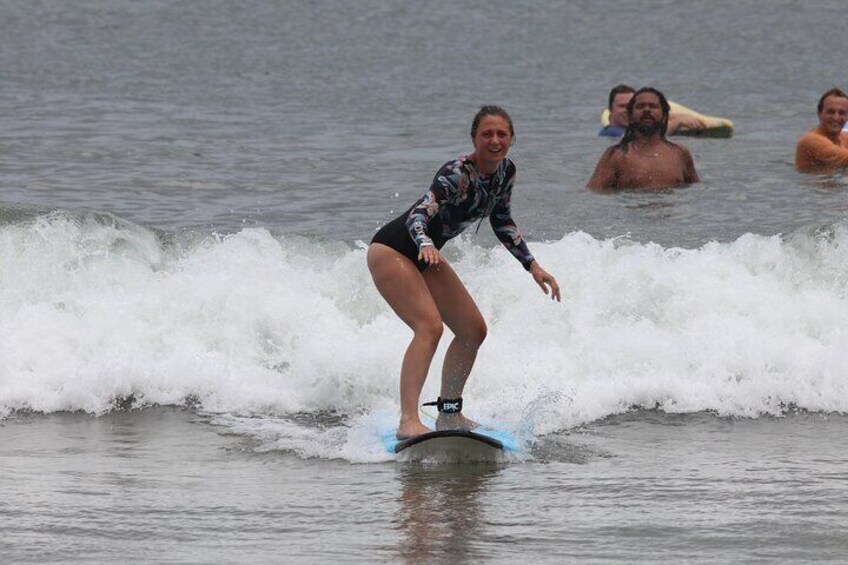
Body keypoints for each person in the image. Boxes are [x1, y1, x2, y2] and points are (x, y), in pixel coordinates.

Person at [367, 105, 561, 439]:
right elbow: (418, 215)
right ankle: (407, 421)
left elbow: (502, 221)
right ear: (475, 138)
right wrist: (426, 243)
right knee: (429, 327)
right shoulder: (456, 173)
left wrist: (533, 265)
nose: (495, 140)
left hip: (426, 256)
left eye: (502, 134)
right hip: (393, 250)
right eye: (487, 133)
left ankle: (449, 414)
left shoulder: (505, 173)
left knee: (473, 330)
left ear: (512, 138)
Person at [588, 87, 700, 191]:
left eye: (653, 106)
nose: (647, 110)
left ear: (664, 116)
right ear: (630, 117)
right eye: (640, 106)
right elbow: (594, 193)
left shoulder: (680, 153)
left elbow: (695, 191)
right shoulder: (616, 155)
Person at [599, 83, 707, 137]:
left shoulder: (637, 127)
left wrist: (681, 117)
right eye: (622, 106)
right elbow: (649, 137)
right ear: (610, 110)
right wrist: (678, 122)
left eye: (631, 106)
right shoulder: (610, 132)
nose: (627, 110)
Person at [795, 88, 848, 173]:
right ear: (819, 113)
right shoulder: (811, 141)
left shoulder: (844, 137)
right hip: (812, 185)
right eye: (831, 112)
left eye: (841, 113)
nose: (836, 117)